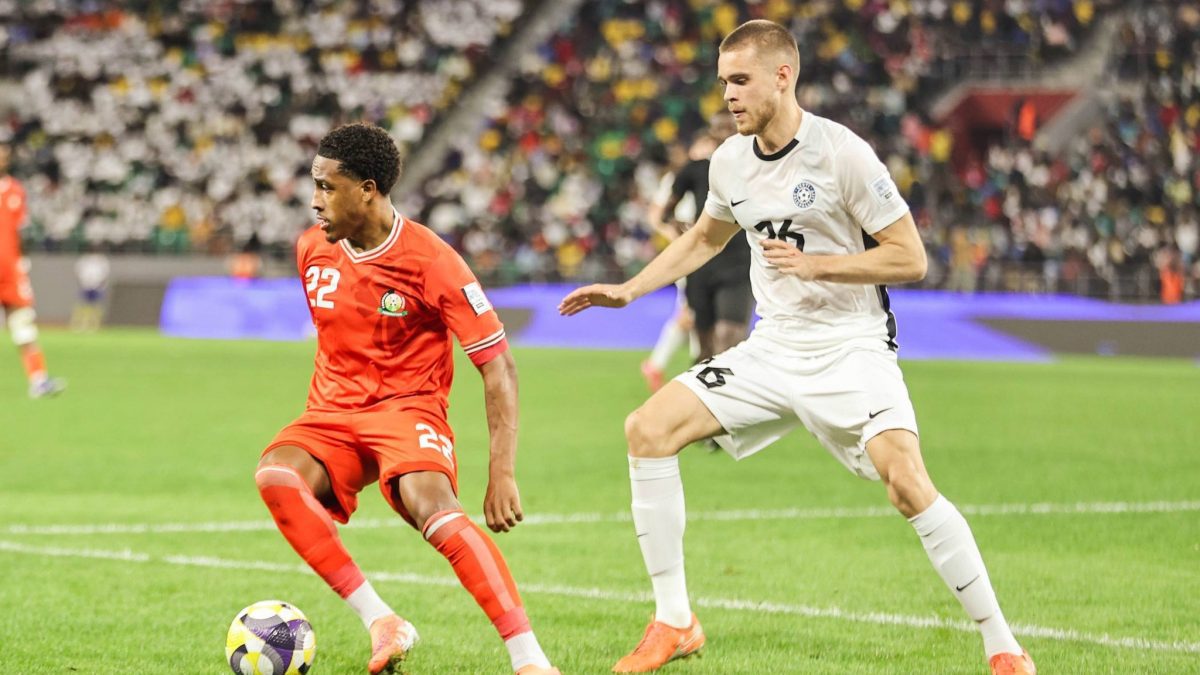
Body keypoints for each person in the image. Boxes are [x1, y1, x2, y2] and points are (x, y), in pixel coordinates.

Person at [559, 20, 1035, 675]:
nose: (728, 95)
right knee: (647, 428)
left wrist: (823, 266)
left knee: (907, 483)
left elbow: (912, 257)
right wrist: (630, 289)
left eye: (740, 80)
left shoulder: (843, 154)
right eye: (724, 81)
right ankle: (675, 619)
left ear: (784, 76)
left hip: (850, 348)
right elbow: (703, 238)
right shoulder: (728, 162)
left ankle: (1002, 642)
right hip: (774, 349)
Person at [256, 123, 559, 675]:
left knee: (436, 510)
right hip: (332, 413)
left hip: (408, 410)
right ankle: (381, 620)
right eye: (314, 185)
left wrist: (503, 471)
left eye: (327, 187)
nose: (314, 201)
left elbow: (498, 366)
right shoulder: (311, 250)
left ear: (367, 189)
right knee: (276, 476)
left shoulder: (433, 262)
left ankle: (530, 661)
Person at [658, 116, 754, 363]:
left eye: (729, 128)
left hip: (740, 264)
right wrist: (677, 224)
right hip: (702, 263)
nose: (724, 134)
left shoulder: (757, 167)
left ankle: (729, 393)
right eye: (719, 129)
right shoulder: (696, 169)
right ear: (710, 135)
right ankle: (705, 393)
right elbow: (666, 210)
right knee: (704, 346)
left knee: (730, 335)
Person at [0, 142, 65, 398]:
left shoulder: (15, 189)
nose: (2, 158)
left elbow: (19, 231)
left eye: (5, 154)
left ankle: (38, 380)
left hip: (10, 269)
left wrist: (21, 261)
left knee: (24, 324)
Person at [71, 247, 111, 332]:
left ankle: (94, 325)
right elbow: (79, 273)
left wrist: (101, 285)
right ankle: (79, 324)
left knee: (95, 306)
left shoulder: (102, 261)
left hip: (97, 286)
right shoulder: (84, 260)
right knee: (83, 305)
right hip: (86, 286)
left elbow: (105, 275)